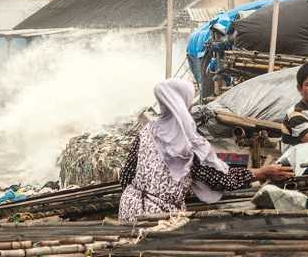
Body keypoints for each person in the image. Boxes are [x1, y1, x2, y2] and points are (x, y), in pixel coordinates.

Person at [118, 79, 292, 222]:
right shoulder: (189, 142)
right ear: (183, 101)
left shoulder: (147, 132)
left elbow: (126, 176)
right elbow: (220, 179)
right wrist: (262, 172)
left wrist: (141, 195)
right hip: (157, 218)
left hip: (128, 209)